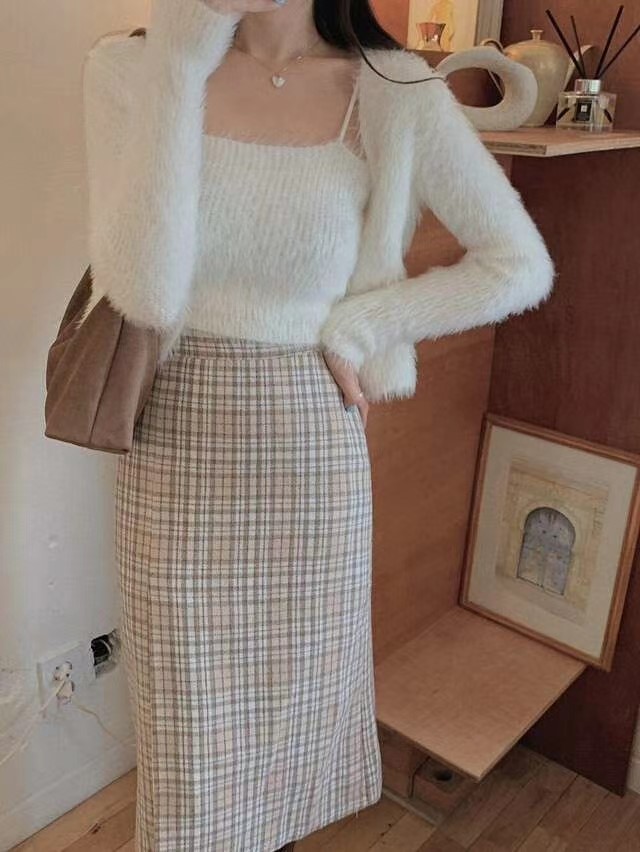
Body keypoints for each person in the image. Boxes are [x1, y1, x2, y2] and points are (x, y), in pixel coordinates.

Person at [82, 0, 555, 849]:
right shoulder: (131, 70)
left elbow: (518, 264)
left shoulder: (393, 90)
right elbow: (143, 291)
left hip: (308, 447)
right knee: (184, 730)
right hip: (172, 439)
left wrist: (365, 328)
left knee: (288, 720)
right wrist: (179, 63)